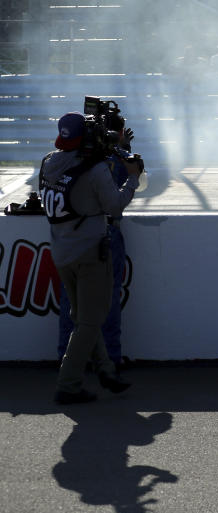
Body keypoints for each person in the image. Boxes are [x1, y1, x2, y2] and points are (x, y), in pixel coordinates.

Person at [39, 112, 142, 404]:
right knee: (91, 320)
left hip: (61, 250)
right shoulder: (96, 170)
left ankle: (106, 371)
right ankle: (68, 384)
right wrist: (132, 179)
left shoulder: (48, 162)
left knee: (81, 315)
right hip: (89, 252)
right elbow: (115, 207)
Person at [57, 111, 134, 368]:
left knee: (72, 305)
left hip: (64, 237)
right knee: (107, 301)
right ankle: (110, 359)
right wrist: (124, 156)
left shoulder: (55, 161)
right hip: (100, 235)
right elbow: (116, 203)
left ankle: (66, 358)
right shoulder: (109, 162)